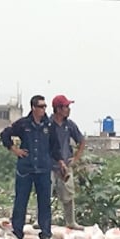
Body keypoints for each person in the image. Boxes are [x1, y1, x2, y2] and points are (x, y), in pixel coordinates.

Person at [1, 95, 56, 239]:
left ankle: (45, 234)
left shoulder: (49, 126)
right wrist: (15, 150)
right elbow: (5, 135)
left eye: (45, 106)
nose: (44, 109)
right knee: (21, 201)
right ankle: (17, 232)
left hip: (43, 169)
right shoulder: (23, 124)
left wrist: (56, 162)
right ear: (33, 108)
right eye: (41, 106)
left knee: (44, 203)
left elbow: (54, 146)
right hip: (26, 168)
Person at [49, 94, 86, 230]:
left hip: (66, 163)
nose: (68, 109)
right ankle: (40, 220)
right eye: (66, 107)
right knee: (45, 192)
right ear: (58, 109)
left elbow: (81, 141)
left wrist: (76, 158)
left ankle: (71, 221)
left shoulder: (69, 125)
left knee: (68, 194)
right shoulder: (48, 124)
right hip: (50, 165)